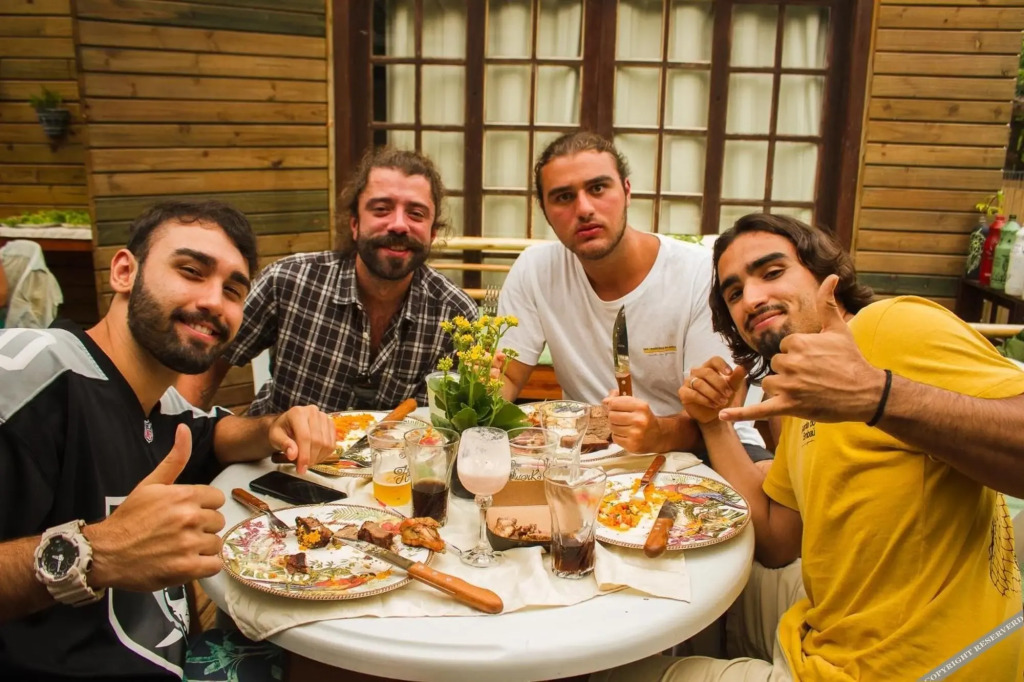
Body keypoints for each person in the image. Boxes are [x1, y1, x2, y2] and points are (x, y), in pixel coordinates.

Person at [596, 213, 1024, 681]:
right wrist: (712, 424)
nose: (751, 299)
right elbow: (777, 542)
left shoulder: (890, 326)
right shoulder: (800, 398)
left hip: (907, 667)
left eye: (772, 271)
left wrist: (877, 395)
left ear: (825, 276)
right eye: (734, 293)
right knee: (694, 591)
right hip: (830, 624)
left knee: (611, 674)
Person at [0, 201, 335, 680]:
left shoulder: (161, 403)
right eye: (191, 271)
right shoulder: (26, 373)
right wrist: (97, 553)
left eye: (233, 290)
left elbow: (212, 435)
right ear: (124, 272)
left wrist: (271, 427)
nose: (214, 302)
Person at [497, 131, 766, 461]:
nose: (584, 208)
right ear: (545, 210)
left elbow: (719, 413)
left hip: (706, 451)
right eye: (563, 197)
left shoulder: (698, 273)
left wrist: (657, 433)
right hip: (586, 457)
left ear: (626, 191)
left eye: (598, 188)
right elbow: (507, 377)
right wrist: (474, 399)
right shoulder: (535, 270)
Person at [178, 147, 478, 415]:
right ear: (355, 224)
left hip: (396, 461)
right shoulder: (289, 281)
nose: (399, 225)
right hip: (277, 454)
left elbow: (449, 424)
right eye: (382, 209)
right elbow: (208, 362)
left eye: (416, 213)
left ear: (432, 233)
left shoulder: (455, 315)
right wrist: (181, 433)